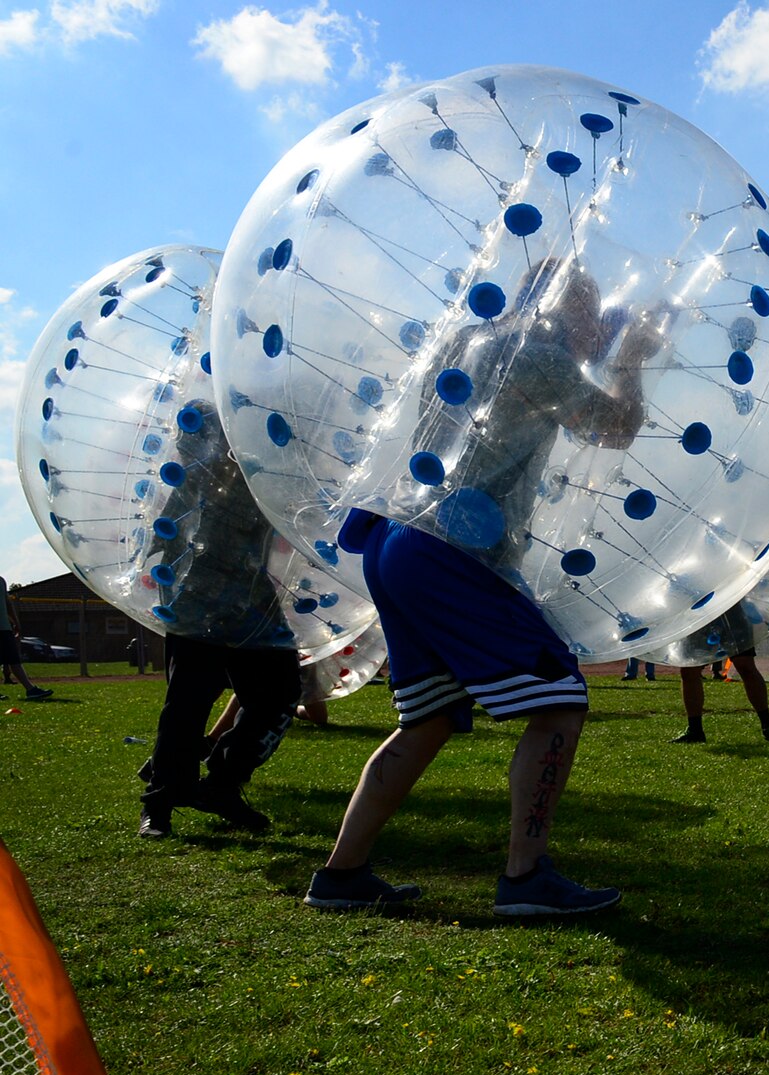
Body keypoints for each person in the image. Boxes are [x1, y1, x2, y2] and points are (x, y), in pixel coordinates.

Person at [305, 260, 661, 915]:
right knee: (560, 699)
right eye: (587, 305)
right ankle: (526, 878)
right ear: (556, 304)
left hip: (397, 538)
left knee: (428, 720)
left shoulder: (472, 341)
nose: (595, 321)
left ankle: (341, 874)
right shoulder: (542, 356)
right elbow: (617, 428)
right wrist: (632, 357)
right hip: (451, 551)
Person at [136, 402, 303, 839]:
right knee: (188, 701)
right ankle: (161, 803)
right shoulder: (195, 474)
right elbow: (162, 534)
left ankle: (222, 784)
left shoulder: (258, 470)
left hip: (249, 597)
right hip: (195, 597)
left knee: (279, 692)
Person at [668, 604, 769, 744]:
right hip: (696, 615)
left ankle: (767, 725)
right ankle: (695, 730)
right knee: (688, 670)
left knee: (745, 667)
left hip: (731, 611)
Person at [0, 576, 54, 701]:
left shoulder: (1, 581)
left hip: (4, 628)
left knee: (14, 660)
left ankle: (31, 690)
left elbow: (7, 603)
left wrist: (15, 622)